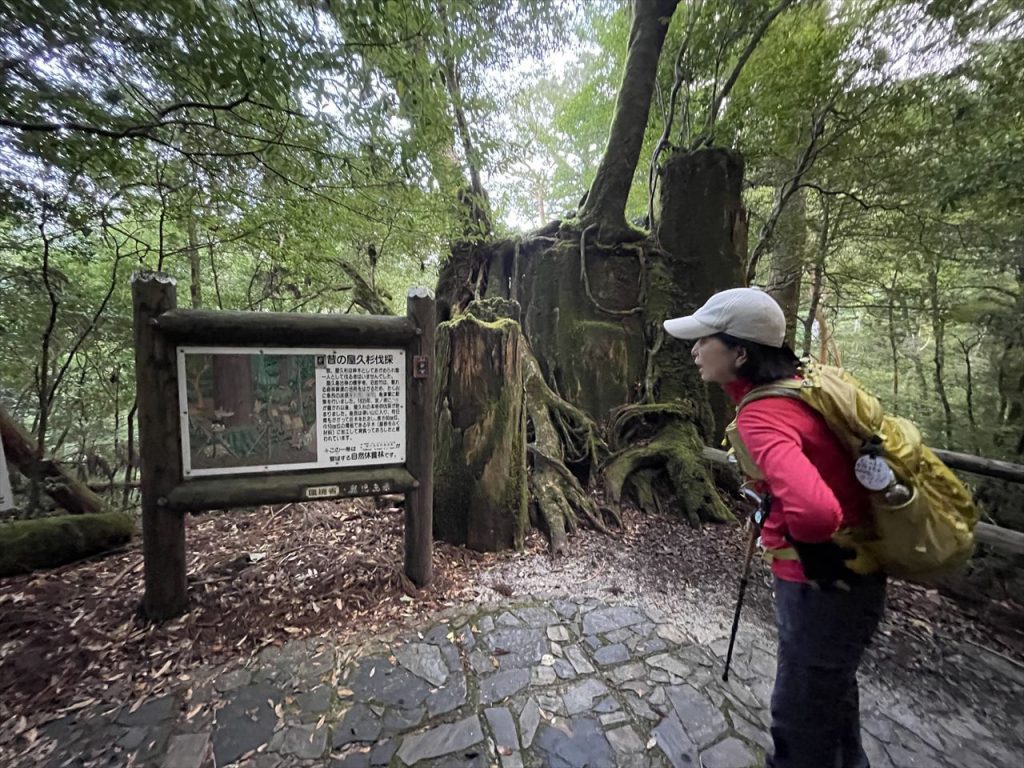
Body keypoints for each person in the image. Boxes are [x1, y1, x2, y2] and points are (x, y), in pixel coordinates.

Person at [664, 287, 886, 768]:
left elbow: (815, 509)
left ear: (740, 353)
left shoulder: (763, 413)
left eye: (705, 340)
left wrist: (814, 555)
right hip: (858, 573)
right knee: (831, 698)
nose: (695, 350)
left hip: (821, 587)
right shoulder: (799, 388)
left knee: (799, 725)